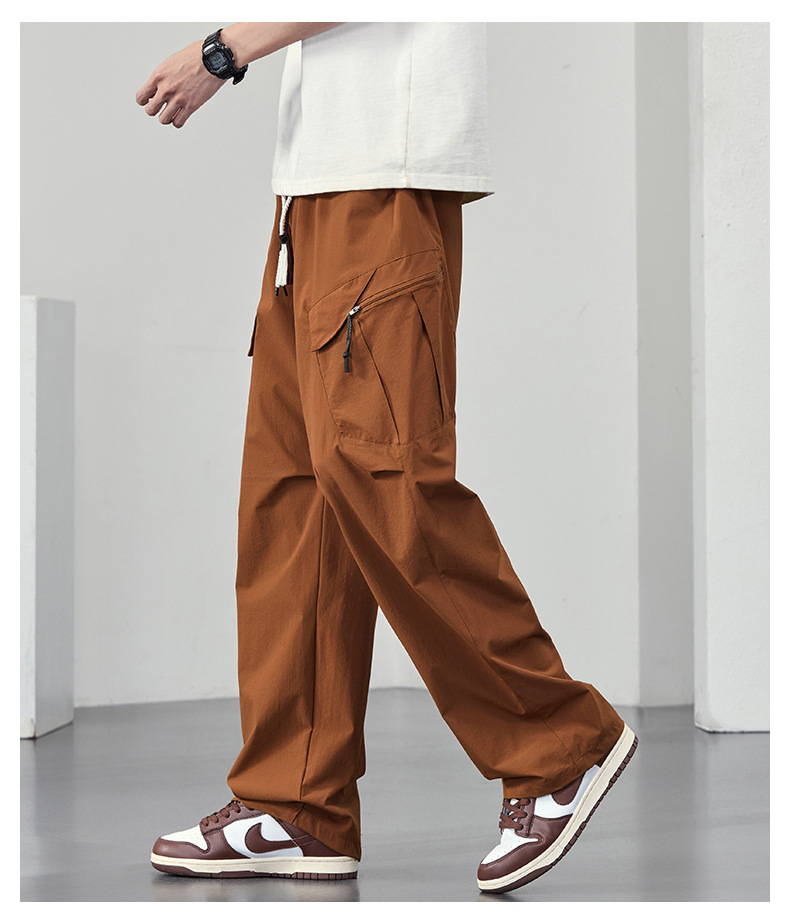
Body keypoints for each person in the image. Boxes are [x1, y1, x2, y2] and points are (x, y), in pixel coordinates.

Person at [136, 22, 637, 895]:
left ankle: (558, 741)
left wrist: (223, 50)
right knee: (294, 500)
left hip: (384, 175)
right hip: (313, 187)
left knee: (386, 477)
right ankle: (296, 800)